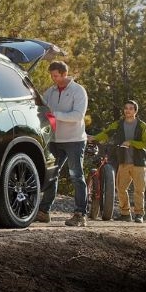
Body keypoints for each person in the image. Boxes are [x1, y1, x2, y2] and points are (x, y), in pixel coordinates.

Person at [37, 61, 89, 227]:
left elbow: (77, 115)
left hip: (74, 140)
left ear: (65, 74)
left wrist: (55, 114)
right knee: (51, 174)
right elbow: (42, 109)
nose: (54, 79)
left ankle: (80, 214)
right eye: (52, 76)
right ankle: (44, 212)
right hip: (54, 140)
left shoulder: (78, 91)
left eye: (56, 76)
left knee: (76, 176)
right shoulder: (50, 92)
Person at [89, 100, 146, 223]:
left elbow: (145, 143)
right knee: (121, 188)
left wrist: (131, 142)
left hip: (139, 163)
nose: (128, 110)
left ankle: (139, 214)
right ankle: (125, 214)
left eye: (131, 108)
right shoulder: (118, 123)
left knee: (139, 190)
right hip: (123, 162)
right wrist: (94, 138)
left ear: (135, 111)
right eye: (126, 108)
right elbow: (107, 133)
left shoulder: (142, 125)